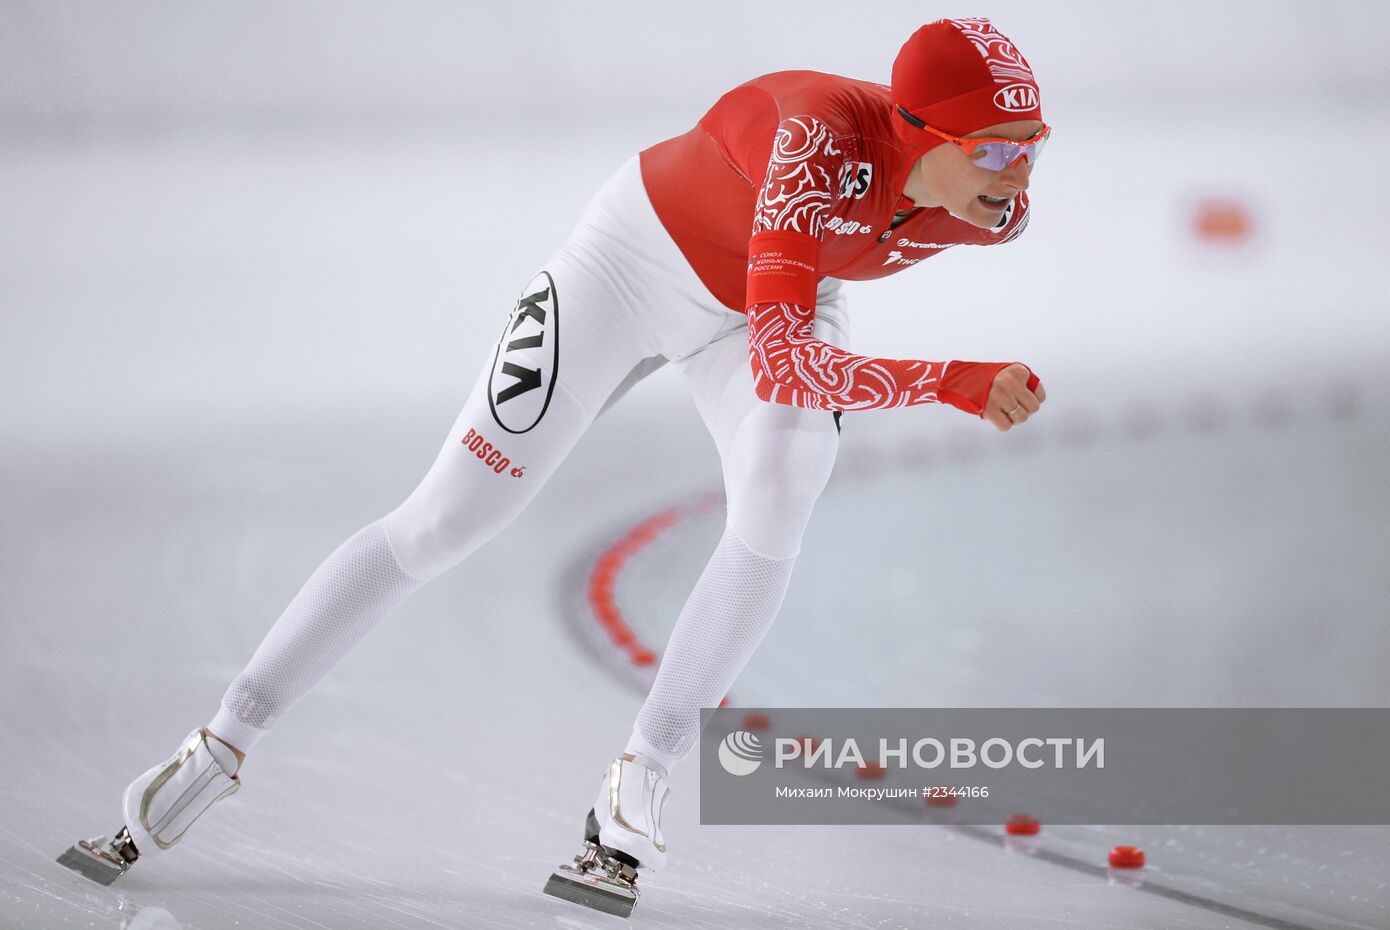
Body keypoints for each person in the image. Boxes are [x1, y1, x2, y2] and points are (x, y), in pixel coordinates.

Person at [58, 17, 1049, 918]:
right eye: (996, 149)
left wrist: (938, 354)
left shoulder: (997, 215)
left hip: (765, 305)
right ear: (916, 130)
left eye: (1032, 147)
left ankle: (642, 776)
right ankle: (220, 742)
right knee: (447, 519)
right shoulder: (817, 141)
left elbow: (780, 351)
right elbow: (791, 368)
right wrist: (953, 380)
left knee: (784, 484)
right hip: (629, 265)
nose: (1017, 175)